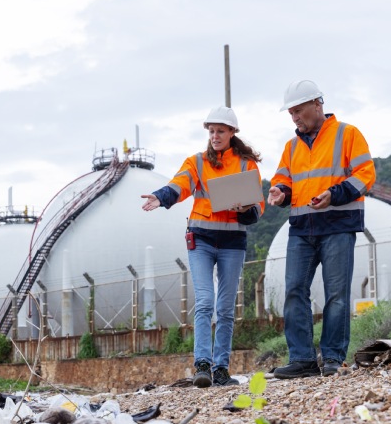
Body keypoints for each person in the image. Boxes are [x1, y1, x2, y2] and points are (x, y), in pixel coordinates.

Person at [142, 106, 264, 388]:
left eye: (220, 131)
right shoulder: (197, 162)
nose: (215, 136)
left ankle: (221, 369)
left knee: (225, 307)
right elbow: (180, 184)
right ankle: (202, 366)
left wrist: (245, 208)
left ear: (232, 133)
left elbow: (257, 208)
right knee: (206, 301)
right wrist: (162, 197)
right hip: (202, 239)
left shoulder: (247, 165)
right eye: (211, 131)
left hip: (233, 241)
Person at [267, 80, 376, 378]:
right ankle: (302, 360)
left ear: (318, 104)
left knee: (337, 294)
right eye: (291, 113)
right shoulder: (291, 147)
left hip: (338, 225)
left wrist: (335, 194)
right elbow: (283, 179)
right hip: (302, 228)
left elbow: (366, 174)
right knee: (294, 291)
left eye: (299, 111)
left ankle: (332, 358)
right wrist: (279, 192)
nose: (295, 118)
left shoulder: (348, 134)